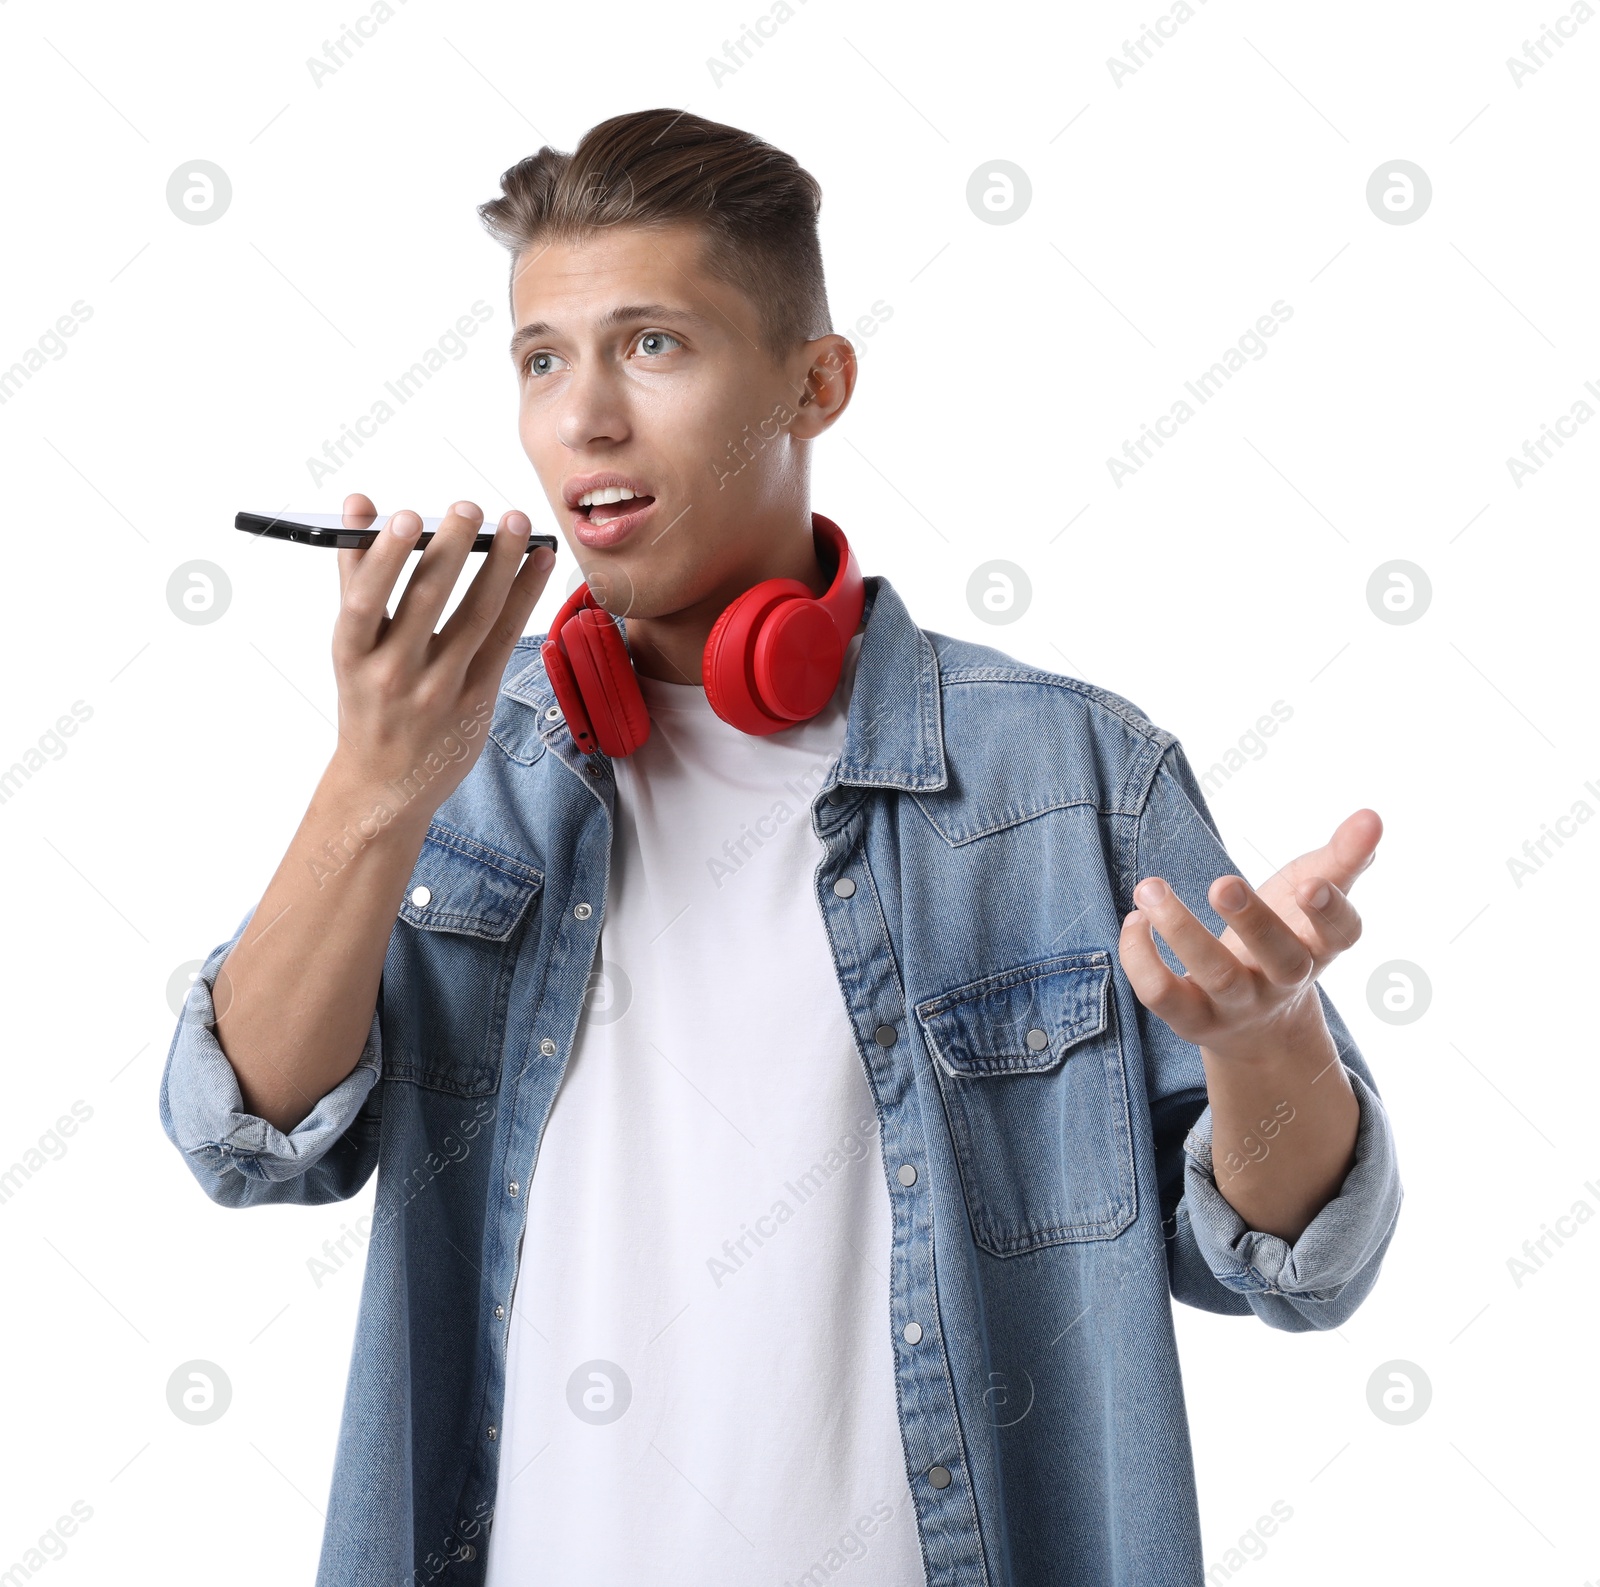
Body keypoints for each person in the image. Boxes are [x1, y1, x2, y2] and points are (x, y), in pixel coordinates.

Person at [159, 107, 1402, 1587]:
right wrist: (375, 784)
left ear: (815, 382)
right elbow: (244, 1135)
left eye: (653, 346)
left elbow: (1293, 1260)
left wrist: (1270, 1038)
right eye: (542, 358)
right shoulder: (462, 772)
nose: (583, 419)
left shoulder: (1070, 777)